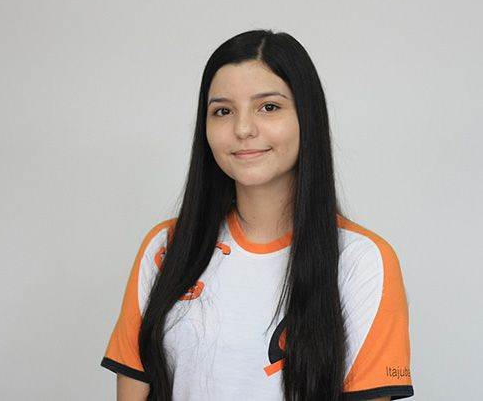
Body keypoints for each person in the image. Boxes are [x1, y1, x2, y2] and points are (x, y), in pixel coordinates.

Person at [99, 29, 414, 401]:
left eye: (269, 107)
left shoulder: (363, 261)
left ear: (307, 118)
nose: (243, 129)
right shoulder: (165, 248)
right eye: (223, 111)